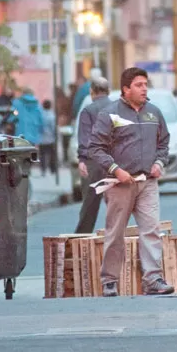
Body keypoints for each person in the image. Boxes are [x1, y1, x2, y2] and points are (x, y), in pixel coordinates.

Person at [88, 67, 174, 296]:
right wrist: (116, 170)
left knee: (151, 230)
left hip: (147, 183)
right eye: (138, 85)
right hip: (120, 185)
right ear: (126, 89)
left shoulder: (154, 113)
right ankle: (109, 280)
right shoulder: (110, 114)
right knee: (115, 232)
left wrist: (159, 163)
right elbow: (95, 148)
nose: (144, 88)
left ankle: (153, 279)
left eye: (145, 84)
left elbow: (164, 143)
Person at [74, 77, 112, 234]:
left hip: (95, 161)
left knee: (89, 205)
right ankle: (116, 236)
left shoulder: (88, 111)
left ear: (91, 91)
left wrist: (82, 159)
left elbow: (85, 138)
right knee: (116, 205)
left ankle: (81, 238)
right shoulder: (118, 108)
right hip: (116, 162)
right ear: (108, 91)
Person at [39, 99, 58, 175]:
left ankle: (43, 169)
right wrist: (55, 135)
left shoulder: (40, 115)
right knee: (52, 155)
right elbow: (53, 127)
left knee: (42, 155)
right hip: (50, 138)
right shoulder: (51, 115)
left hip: (42, 138)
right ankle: (52, 169)